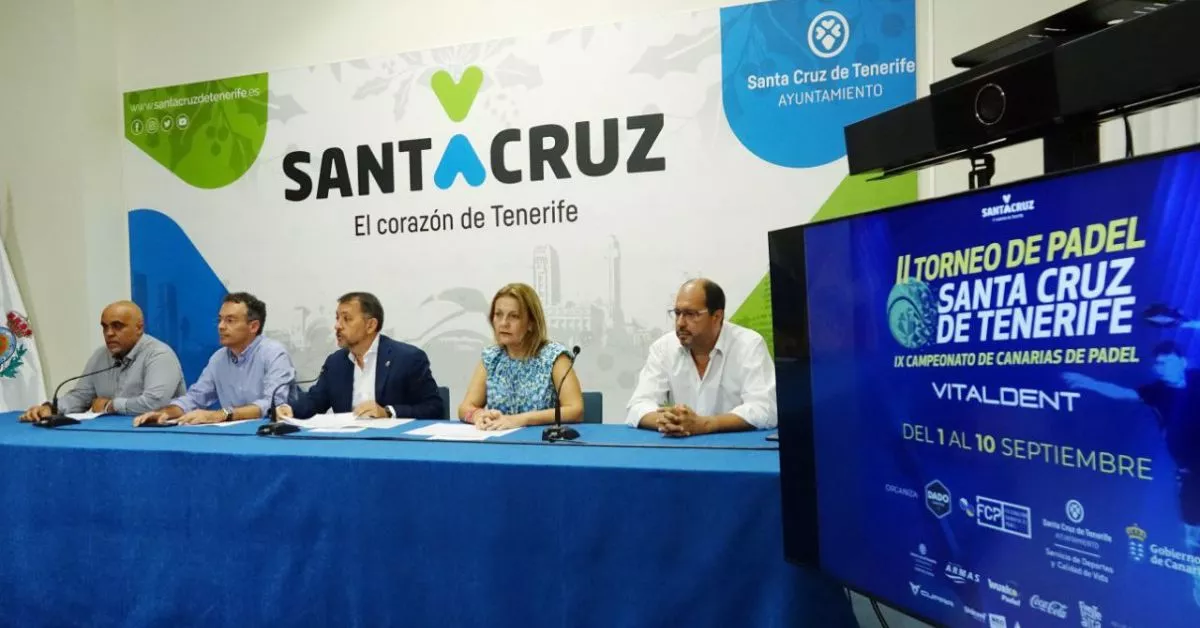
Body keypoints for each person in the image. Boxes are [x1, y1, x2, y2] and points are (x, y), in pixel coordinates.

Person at [1063, 340, 1200, 607]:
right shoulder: (1157, 392)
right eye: (1157, 363)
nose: (1161, 368)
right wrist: (1089, 383)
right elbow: (1121, 392)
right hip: (1192, 479)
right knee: (1194, 538)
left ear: (1182, 361)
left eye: (1167, 361)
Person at [626, 278, 776, 436]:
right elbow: (638, 406)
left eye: (691, 314)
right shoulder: (663, 348)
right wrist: (671, 422)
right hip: (683, 448)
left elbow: (765, 409)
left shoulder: (749, 345)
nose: (680, 323)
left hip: (735, 449)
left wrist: (705, 425)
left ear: (717, 317)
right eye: (677, 313)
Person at [132, 292, 296, 426]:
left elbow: (272, 405)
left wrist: (221, 414)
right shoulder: (219, 358)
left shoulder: (274, 353)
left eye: (230, 320)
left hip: (267, 437)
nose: (221, 326)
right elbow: (195, 398)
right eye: (220, 320)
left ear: (253, 326)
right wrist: (165, 413)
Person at [275, 292, 444, 420]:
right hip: (348, 447)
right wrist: (289, 409)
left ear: (371, 325)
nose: (337, 326)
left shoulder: (408, 358)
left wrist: (388, 412)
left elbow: (434, 408)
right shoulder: (336, 362)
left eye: (346, 319)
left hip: (393, 447)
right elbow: (314, 402)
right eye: (337, 318)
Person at [18, 301, 185, 420]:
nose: (109, 333)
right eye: (105, 327)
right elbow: (81, 396)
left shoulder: (159, 355)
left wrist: (109, 406)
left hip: (153, 436)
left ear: (139, 327)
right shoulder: (100, 355)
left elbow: (154, 403)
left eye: (117, 326)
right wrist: (51, 408)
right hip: (109, 435)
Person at [458, 283, 582, 430]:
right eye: (498, 315)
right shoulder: (491, 358)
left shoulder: (554, 357)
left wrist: (521, 419)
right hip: (499, 442)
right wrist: (478, 415)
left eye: (514, 316)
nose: (503, 323)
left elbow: (575, 410)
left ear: (531, 323)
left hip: (542, 444)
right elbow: (465, 408)